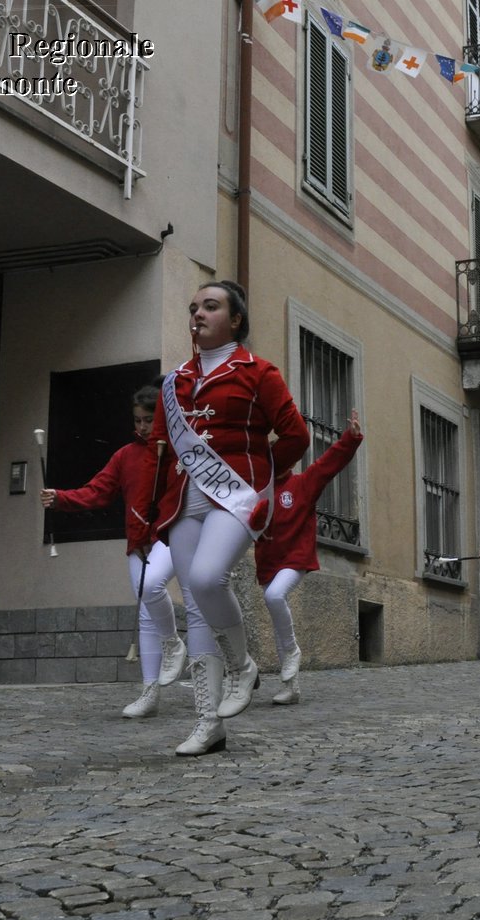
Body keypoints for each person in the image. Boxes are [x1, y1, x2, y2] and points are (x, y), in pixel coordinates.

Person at [141, 280, 310, 756]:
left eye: (210, 307)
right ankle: (206, 720)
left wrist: (266, 475)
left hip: (237, 497)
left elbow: (294, 435)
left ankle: (242, 666)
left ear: (235, 320)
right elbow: (160, 447)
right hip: (182, 501)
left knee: (208, 578)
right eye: (193, 307)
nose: (198, 314)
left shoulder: (259, 373)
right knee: (194, 602)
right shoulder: (174, 383)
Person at [40, 383, 205, 719]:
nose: (142, 427)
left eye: (148, 419)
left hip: (172, 534)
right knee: (146, 611)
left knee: (152, 587)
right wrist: (61, 498)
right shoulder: (124, 455)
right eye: (138, 420)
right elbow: (97, 492)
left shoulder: (178, 449)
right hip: (138, 542)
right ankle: (149, 692)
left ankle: (177, 644)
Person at [252, 409, 364, 705]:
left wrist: (350, 440)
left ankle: (292, 654)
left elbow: (329, 465)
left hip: (294, 560)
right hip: (268, 563)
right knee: (278, 619)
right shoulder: (255, 491)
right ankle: (291, 687)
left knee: (275, 597)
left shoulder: (302, 484)